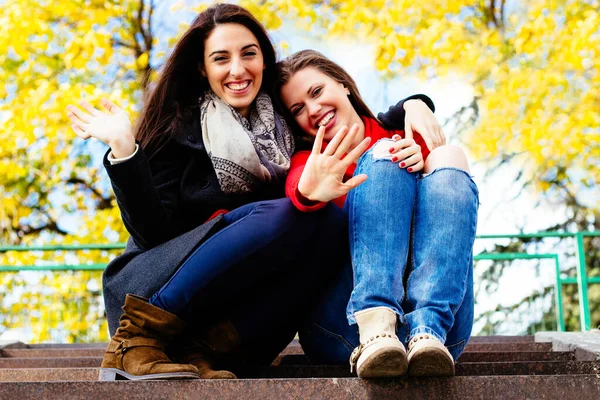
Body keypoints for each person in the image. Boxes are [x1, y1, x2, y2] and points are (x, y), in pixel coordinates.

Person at [65, 5, 441, 381]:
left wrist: (414, 104)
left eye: (248, 53)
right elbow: (150, 233)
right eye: (221, 58)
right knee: (286, 212)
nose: (237, 69)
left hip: (239, 315)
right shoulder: (180, 126)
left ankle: (204, 353)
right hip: (164, 288)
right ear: (202, 68)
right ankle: (138, 342)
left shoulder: (283, 124)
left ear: (264, 58)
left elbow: (350, 117)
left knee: (329, 221)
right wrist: (125, 150)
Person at [275, 50, 479, 378]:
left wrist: (415, 110)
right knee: (384, 156)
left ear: (343, 85)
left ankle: (428, 327)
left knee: (449, 155)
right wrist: (313, 190)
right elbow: (300, 190)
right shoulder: (307, 162)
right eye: (298, 109)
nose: (313, 110)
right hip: (343, 331)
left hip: (438, 340)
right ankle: (376, 326)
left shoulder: (405, 140)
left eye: (316, 92)